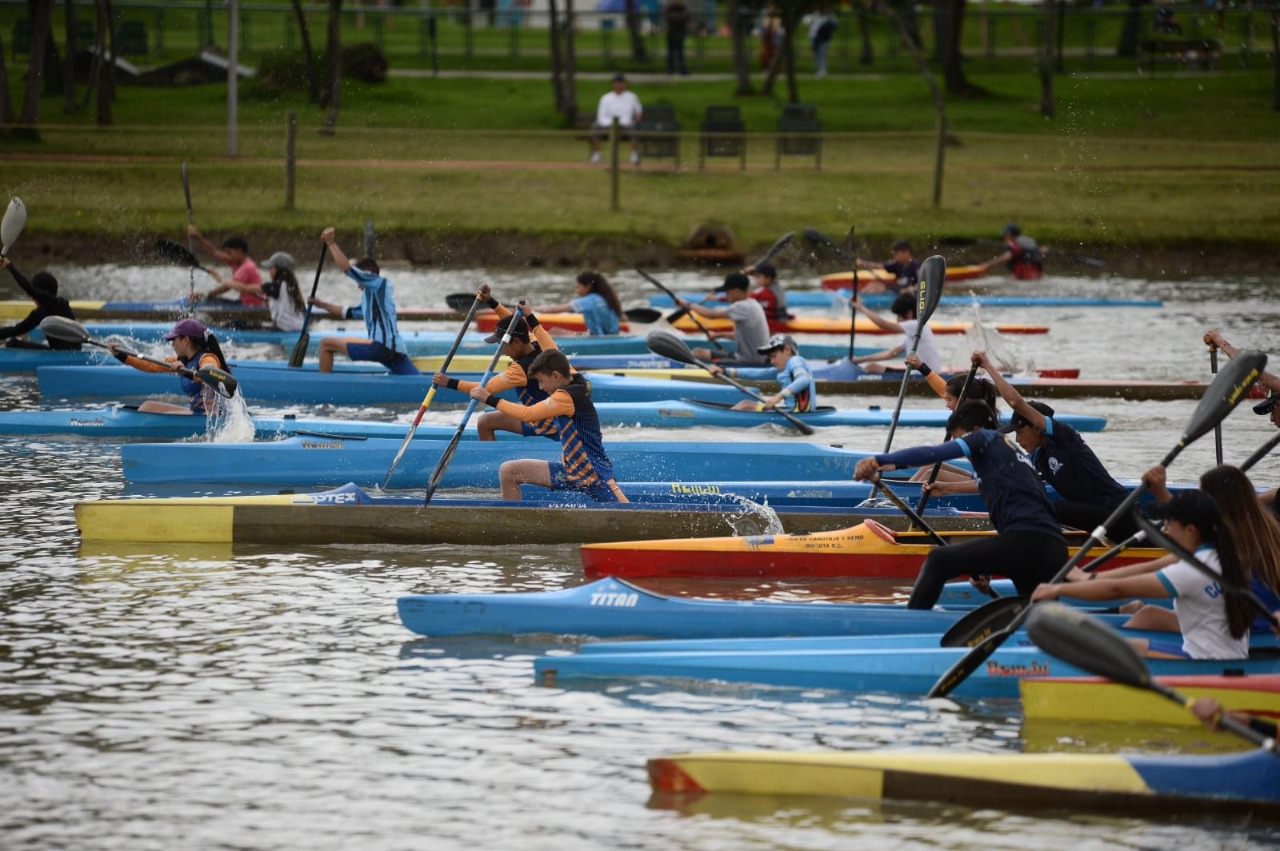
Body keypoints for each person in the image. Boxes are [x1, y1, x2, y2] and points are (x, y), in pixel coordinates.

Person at [854, 400, 1068, 608]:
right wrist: (985, 568)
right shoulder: (1013, 454)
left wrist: (877, 460)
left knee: (938, 560)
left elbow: (933, 453)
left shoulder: (985, 437)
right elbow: (1015, 508)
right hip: (1052, 548)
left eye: (959, 440)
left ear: (975, 430)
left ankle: (913, 623)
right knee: (1034, 615)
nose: (962, 449)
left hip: (1029, 542)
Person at [1032, 490, 1251, 660]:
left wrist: (1058, 588)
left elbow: (1118, 590)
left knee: (1113, 647)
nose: (1167, 531)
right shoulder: (1222, 556)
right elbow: (1142, 572)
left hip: (1205, 661)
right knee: (1147, 619)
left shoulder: (1191, 570)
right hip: (1226, 654)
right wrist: (1089, 578)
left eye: (1170, 524)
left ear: (1191, 530)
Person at [1085, 464, 1280, 636]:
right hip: (1258, 622)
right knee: (1143, 610)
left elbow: (1186, 532)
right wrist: (1160, 492)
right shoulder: (1268, 529)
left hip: (1244, 630)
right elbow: (1190, 526)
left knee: (1148, 616)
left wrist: (1089, 580)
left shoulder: (1226, 538)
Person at [973, 349, 1138, 540]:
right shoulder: (1038, 458)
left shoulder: (1063, 437)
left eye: (1019, 432)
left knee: (1044, 507)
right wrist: (947, 486)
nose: (1017, 440)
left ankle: (1032, 548)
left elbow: (1015, 402)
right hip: (1103, 523)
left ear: (1036, 426)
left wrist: (988, 366)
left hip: (1122, 514)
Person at [469, 349, 628, 503]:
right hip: (570, 472)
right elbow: (550, 347)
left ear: (556, 376)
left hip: (594, 476)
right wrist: (533, 322)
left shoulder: (565, 397)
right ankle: (515, 526)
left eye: (541, 381)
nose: (540, 388)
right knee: (509, 471)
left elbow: (528, 414)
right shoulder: (574, 378)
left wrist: (489, 399)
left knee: (629, 517)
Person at [434, 288, 563, 441]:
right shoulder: (534, 342)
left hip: (547, 425)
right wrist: (491, 301)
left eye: (503, 345)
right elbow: (513, 321)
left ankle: (488, 460)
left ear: (516, 342)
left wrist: (449, 382)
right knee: (490, 414)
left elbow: (484, 388)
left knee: (485, 421)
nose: (501, 352)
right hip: (555, 416)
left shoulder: (521, 369)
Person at [307, 227, 418, 375]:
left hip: (380, 348)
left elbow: (346, 269)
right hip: (396, 351)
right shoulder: (372, 300)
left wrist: (331, 243)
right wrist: (321, 304)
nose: (358, 285)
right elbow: (346, 312)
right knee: (421, 385)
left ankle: (322, 388)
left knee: (326, 344)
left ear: (367, 275)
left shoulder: (380, 283)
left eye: (359, 280)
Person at [108, 317, 231, 415]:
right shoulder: (180, 360)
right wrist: (121, 355)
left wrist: (186, 372)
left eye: (174, 340)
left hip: (212, 418)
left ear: (186, 340)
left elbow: (210, 372)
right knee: (148, 406)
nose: (172, 345)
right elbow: (150, 365)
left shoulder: (207, 358)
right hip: (197, 413)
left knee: (146, 410)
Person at [672, 272, 770, 365]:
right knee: (698, 352)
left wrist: (686, 304)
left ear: (736, 291)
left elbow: (711, 315)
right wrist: (718, 335)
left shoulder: (742, 306)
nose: (725, 295)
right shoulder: (754, 304)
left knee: (698, 354)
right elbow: (742, 334)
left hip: (749, 360)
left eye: (727, 292)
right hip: (758, 357)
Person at [710, 333, 816, 412]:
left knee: (745, 406)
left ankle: (718, 420)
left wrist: (778, 397)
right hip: (792, 412)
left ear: (787, 350)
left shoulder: (795, 361)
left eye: (774, 356)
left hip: (798, 414)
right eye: (770, 358)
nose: (772, 361)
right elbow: (756, 373)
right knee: (745, 404)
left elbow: (804, 379)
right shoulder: (784, 368)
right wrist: (724, 371)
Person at [849, 292, 941, 373]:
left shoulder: (916, 325)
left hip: (923, 377)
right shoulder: (915, 333)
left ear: (909, 313)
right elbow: (890, 354)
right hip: (926, 374)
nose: (897, 320)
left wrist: (860, 307)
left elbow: (883, 324)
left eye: (898, 316)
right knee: (872, 366)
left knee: (872, 368)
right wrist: (858, 360)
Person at [0, 257, 78, 349]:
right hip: (55, 353)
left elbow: (29, 289)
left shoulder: (58, 305)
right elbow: (16, 330)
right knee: (13, 343)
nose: (32, 298)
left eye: (35, 294)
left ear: (45, 293)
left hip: (71, 355)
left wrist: (9, 266)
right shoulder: (39, 314)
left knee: (12, 344)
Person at [187, 227, 264, 305]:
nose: (227, 256)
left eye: (229, 253)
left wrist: (204, 295)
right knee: (211, 300)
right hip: (244, 302)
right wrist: (197, 236)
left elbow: (227, 287)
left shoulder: (247, 267)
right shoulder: (235, 261)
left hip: (253, 304)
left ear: (239, 251)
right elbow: (214, 251)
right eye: (226, 253)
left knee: (209, 300)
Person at [538, 271, 623, 336]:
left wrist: (532, 309)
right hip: (610, 336)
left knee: (554, 331)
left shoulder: (588, 300)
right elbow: (623, 318)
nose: (576, 290)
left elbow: (557, 309)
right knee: (556, 330)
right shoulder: (603, 297)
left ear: (588, 287)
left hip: (601, 340)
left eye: (578, 287)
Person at [589, 73, 643, 165]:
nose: (619, 85)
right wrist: (609, 124)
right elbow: (601, 115)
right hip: (607, 126)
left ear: (625, 84)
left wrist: (638, 117)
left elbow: (638, 110)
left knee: (634, 128)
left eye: (621, 83)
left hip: (626, 125)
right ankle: (596, 154)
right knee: (595, 127)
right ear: (612, 84)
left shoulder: (631, 97)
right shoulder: (606, 98)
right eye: (616, 83)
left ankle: (634, 155)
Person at [259, 251, 307, 333]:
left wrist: (231, 284)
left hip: (285, 329)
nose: (269, 271)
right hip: (300, 326)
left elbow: (249, 288)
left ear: (279, 268)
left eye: (271, 267)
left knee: (239, 324)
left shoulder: (278, 285)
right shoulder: (291, 284)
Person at [978, 223, 1044, 281]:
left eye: (1005, 234)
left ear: (1009, 234)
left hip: (1024, 277)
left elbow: (1007, 256)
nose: (1004, 237)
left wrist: (987, 265)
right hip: (1037, 275)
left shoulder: (1012, 243)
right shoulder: (1030, 240)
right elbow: (1036, 251)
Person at [856, 241, 920, 295]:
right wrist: (863, 263)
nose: (894, 257)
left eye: (897, 254)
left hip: (909, 292)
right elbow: (880, 266)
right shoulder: (896, 264)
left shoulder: (916, 266)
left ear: (906, 253)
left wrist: (909, 290)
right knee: (874, 285)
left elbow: (923, 283)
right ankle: (860, 297)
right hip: (897, 290)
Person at [802, 5, 837, 77]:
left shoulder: (827, 15)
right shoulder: (811, 15)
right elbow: (807, 24)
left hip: (823, 37)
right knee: (817, 53)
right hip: (814, 36)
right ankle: (819, 69)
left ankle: (823, 69)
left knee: (822, 53)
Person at [663, 0, 691, 76]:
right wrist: (679, 17)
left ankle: (682, 69)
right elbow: (669, 18)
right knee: (671, 53)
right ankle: (670, 69)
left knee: (680, 53)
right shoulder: (669, 7)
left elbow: (687, 18)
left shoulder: (682, 7)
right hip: (671, 33)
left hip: (680, 33)